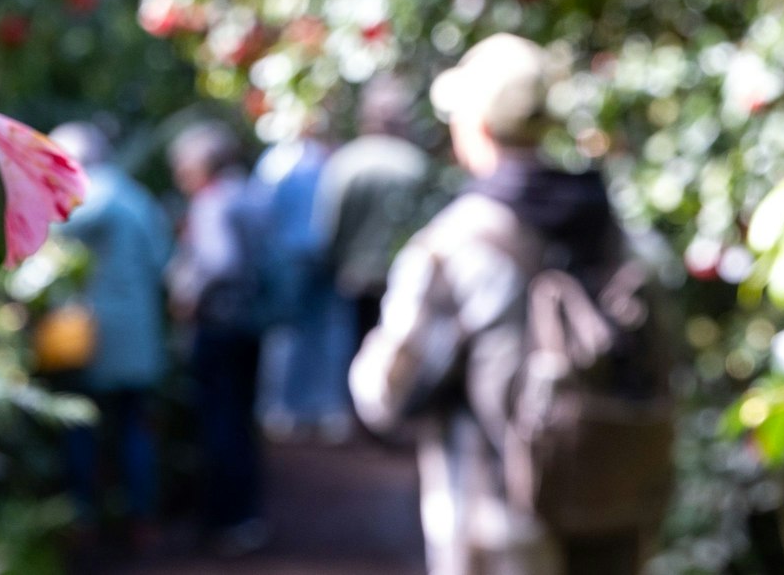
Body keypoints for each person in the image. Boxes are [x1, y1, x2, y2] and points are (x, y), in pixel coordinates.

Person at [349, 35, 674, 575]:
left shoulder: (454, 246)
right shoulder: (620, 233)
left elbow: (384, 394)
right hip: (609, 515)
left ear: (475, 124)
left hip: (497, 531)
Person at [51, 123, 173, 551]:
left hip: (89, 339)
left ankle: (82, 520)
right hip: (139, 338)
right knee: (135, 427)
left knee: (80, 427)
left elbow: (44, 245)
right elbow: (162, 260)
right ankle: (141, 520)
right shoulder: (138, 198)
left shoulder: (85, 199)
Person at [165, 120, 270, 555]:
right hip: (248, 323)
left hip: (219, 327)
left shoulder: (212, 202)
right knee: (241, 420)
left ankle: (226, 518)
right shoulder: (247, 194)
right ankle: (245, 515)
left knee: (220, 423)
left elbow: (220, 261)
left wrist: (188, 294)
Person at [251, 133, 354, 441]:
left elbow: (260, 212)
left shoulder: (281, 161)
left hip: (294, 257)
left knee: (295, 331)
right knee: (320, 331)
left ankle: (285, 409)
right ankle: (317, 408)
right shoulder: (329, 160)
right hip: (315, 256)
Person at [315, 73, 434, 340]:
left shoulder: (345, 162)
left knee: (355, 347)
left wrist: (335, 262)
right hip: (405, 277)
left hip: (354, 279)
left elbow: (330, 227)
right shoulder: (417, 164)